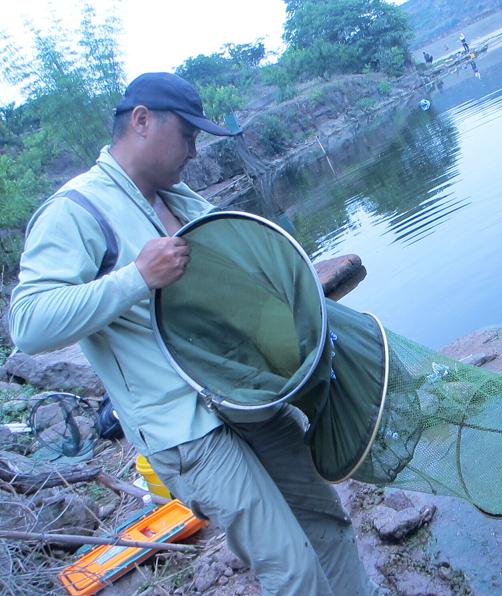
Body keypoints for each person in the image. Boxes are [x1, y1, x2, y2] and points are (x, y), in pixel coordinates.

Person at [9, 72, 376, 596]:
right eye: (187, 135)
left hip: (246, 396)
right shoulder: (77, 210)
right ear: (141, 121)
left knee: (327, 524)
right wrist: (137, 277)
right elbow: (28, 324)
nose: (194, 150)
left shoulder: (177, 200)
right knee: (290, 567)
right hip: (186, 429)